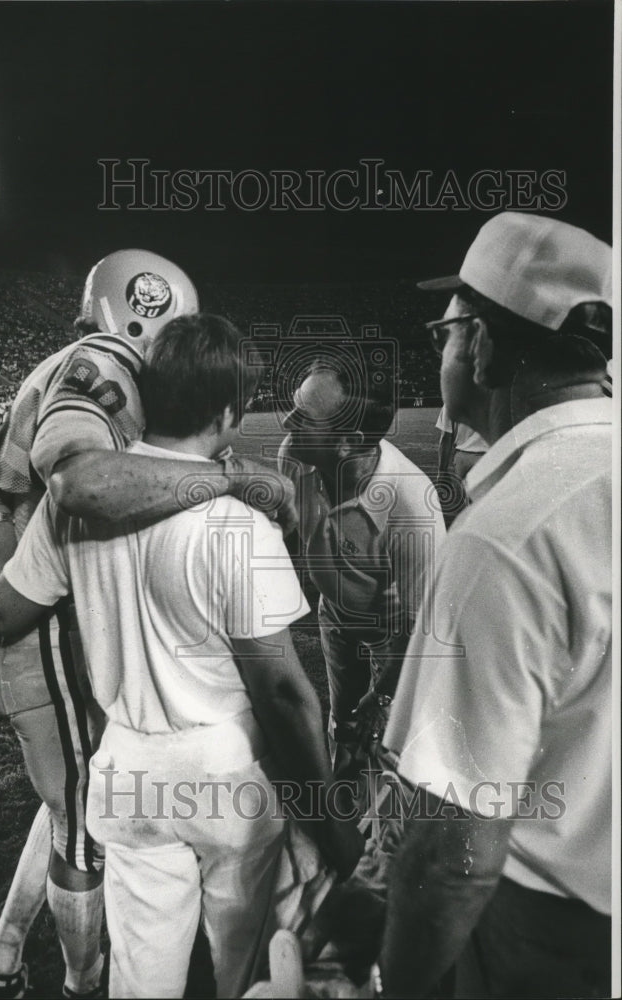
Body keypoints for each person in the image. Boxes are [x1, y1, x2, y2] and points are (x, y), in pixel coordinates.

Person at [0, 314, 360, 999]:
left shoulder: (76, 510)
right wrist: (330, 824)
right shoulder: (239, 518)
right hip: (224, 773)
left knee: (141, 982)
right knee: (245, 972)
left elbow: (4, 612)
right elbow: (286, 694)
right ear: (229, 411)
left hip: (126, 769)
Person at [374, 212, 613, 998]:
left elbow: (453, 853)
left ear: (481, 344)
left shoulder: (506, 537)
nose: (443, 350)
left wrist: (396, 983)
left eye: (447, 332)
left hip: (548, 934)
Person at [277, 357, 444, 784]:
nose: (287, 421)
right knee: (342, 721)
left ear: (348, 442)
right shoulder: (294, 457)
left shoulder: (412, 508)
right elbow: (294, 533)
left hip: (394, 629)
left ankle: (376, 826)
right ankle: (344, 800)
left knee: (383, 738)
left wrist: (385, 694)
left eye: (304, 417)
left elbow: (418, 627)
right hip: (335, 610)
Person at [434, 405, 487, 519]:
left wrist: (442, 471)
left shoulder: (452, 400)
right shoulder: (496, 396)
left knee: (468, 508)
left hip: (463, 460)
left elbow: (445, 438)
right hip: (488, 457)